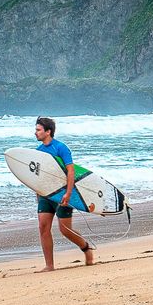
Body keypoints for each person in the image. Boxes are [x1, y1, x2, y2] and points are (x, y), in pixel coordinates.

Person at [34, 116, 95, 271]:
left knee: (65, 230)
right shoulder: (38, 152)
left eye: (38, 130)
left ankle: (86, 248)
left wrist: (68, 193)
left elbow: (71, 171)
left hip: (62, 193)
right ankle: (49, 265)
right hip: (46, 194)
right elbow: (38, 176)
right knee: (43, 227)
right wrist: (38, 193)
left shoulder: (61, 148)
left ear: (48, 132)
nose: (35, 133)